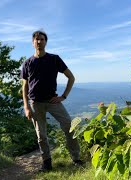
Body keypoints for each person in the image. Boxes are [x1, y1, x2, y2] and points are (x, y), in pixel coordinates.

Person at [21, 30, 83, 171]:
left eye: (42, 39)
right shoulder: (27, 63)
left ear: (45, 42)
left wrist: (63, 96)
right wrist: (26, 107)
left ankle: (76, 158)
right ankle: (47, 163)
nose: (39, 41)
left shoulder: (54, 59)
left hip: (52, 101)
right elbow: (24, 87)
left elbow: (71, 77)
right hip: (35, 103)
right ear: (32, 43)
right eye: (36, 39)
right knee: (41, 135)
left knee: (69, 126)